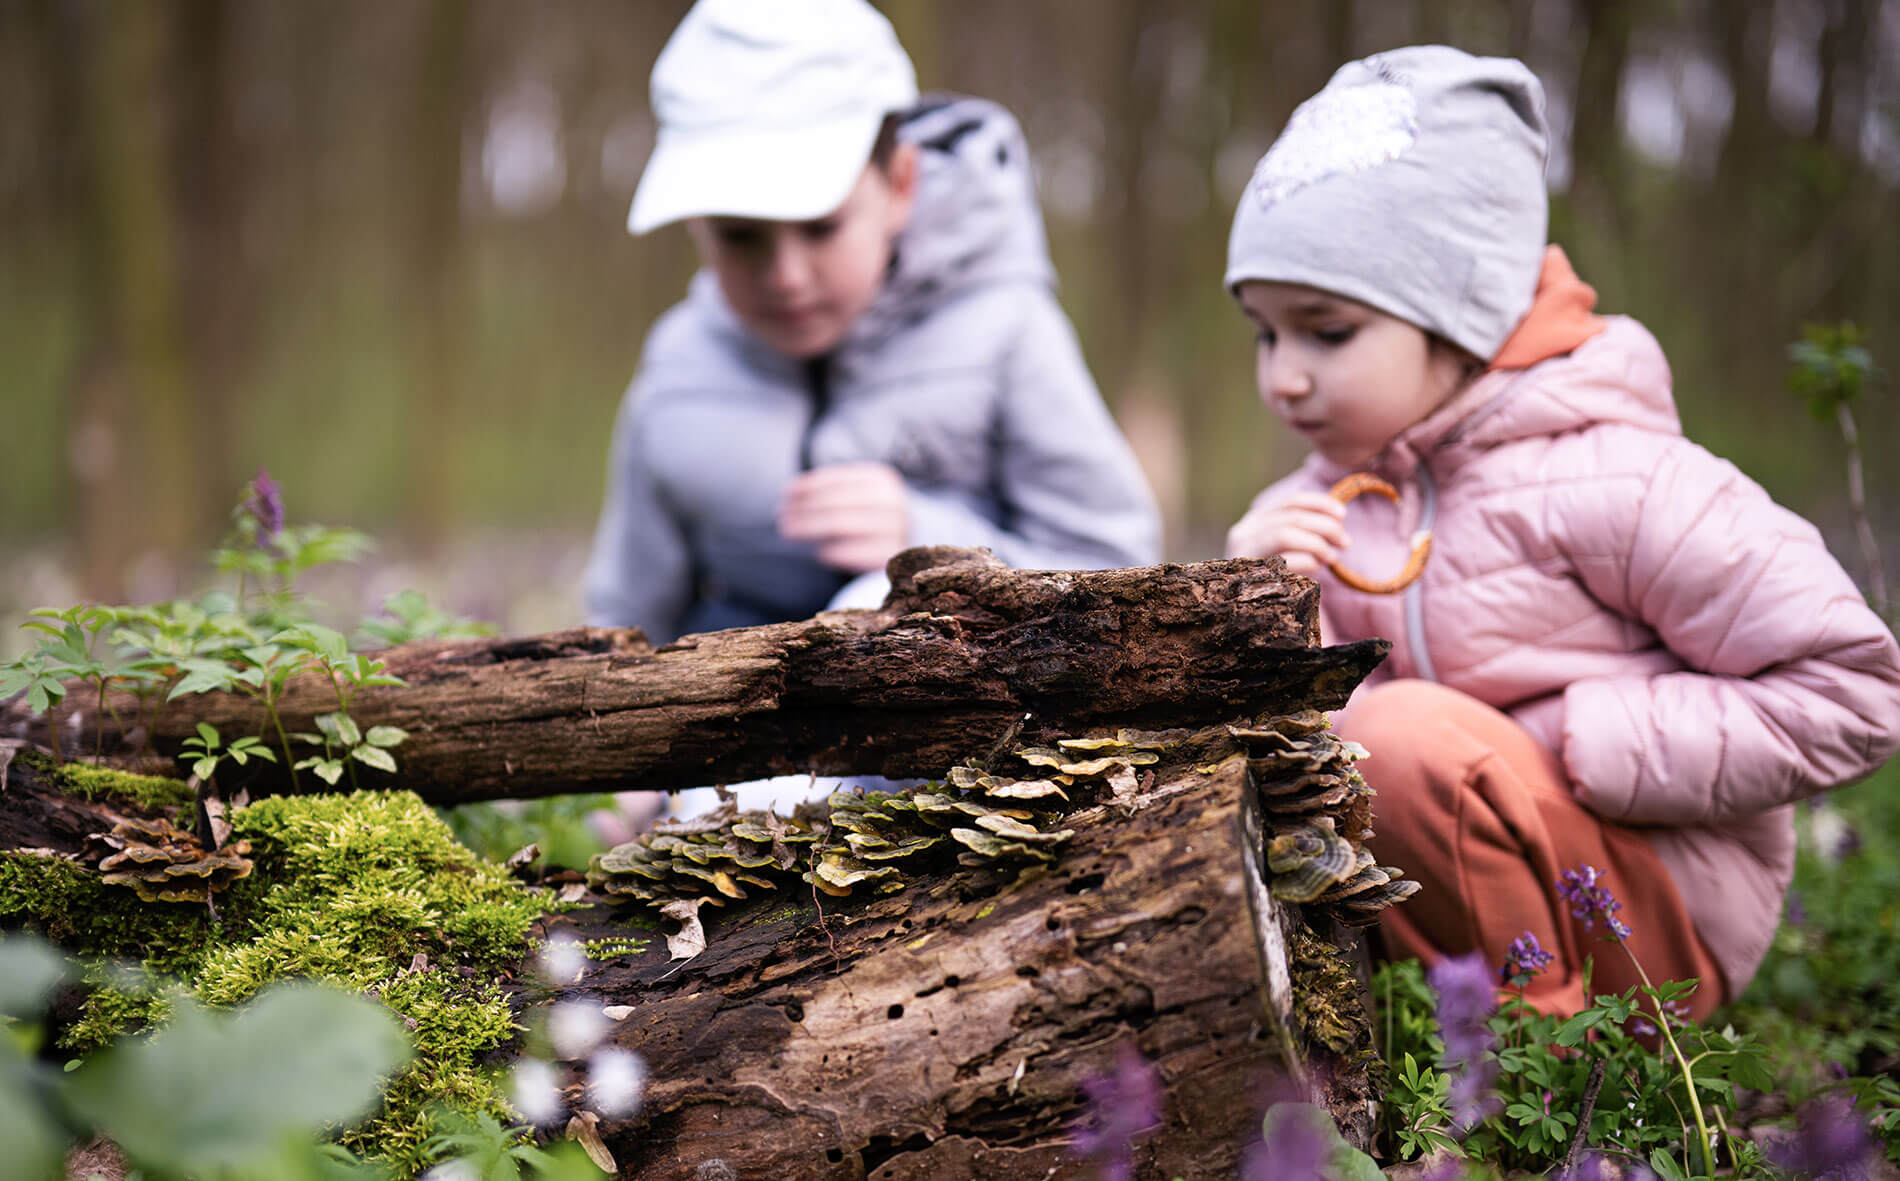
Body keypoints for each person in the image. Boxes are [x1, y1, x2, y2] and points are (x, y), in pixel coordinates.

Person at [1220, 45, 1900, 1022]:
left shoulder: (1617, 478)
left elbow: (1856, 688)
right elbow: (1289, 752)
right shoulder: (1318, 504)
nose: (1284, 374)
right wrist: (1245, 608)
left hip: (1645, 929)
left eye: (1326, 332)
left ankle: (1547, 1091)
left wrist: (1575, 737)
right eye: (1263, 332)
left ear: (1464, 321)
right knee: (1371, 750)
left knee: (1397, 743)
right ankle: (1391, 1044)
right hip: (1439, 899)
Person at [582, 0, 1162, 647]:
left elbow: (1120, 563)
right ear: (696, 225)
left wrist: (927, 538)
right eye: (740, 236)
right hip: (730, 721)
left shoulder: (1004, 331)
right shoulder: (680, 364)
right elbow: (627, 614)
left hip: (958, 715)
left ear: (901, 185)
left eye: (821, 226)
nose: (786, 275)